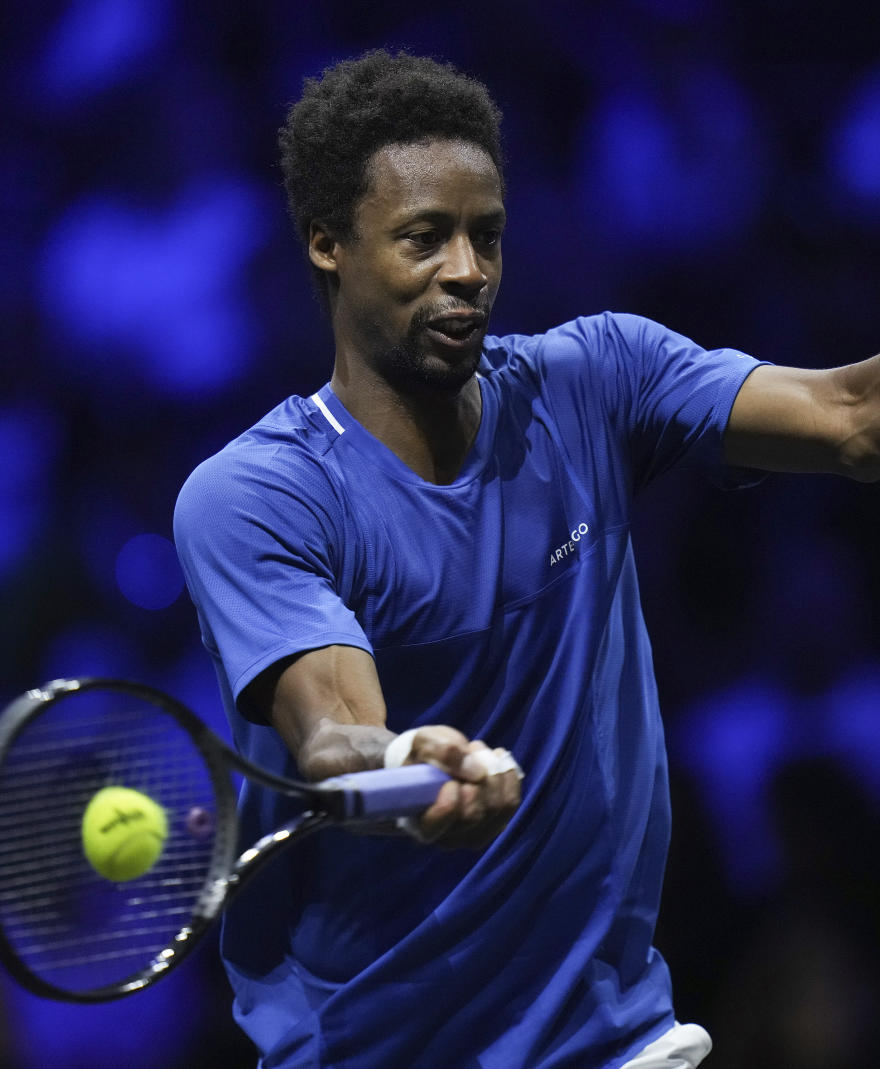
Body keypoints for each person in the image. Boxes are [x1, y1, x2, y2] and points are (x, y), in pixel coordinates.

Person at [173, 50, 880, 1069]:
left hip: (617, 1039)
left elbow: (851, 417)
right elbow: (332, 729)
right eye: (424, 238)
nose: (468, 270)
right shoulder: (255, 495)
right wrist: (405, 762)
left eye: (486, 235)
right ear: (327, 244)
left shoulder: (596, 379)